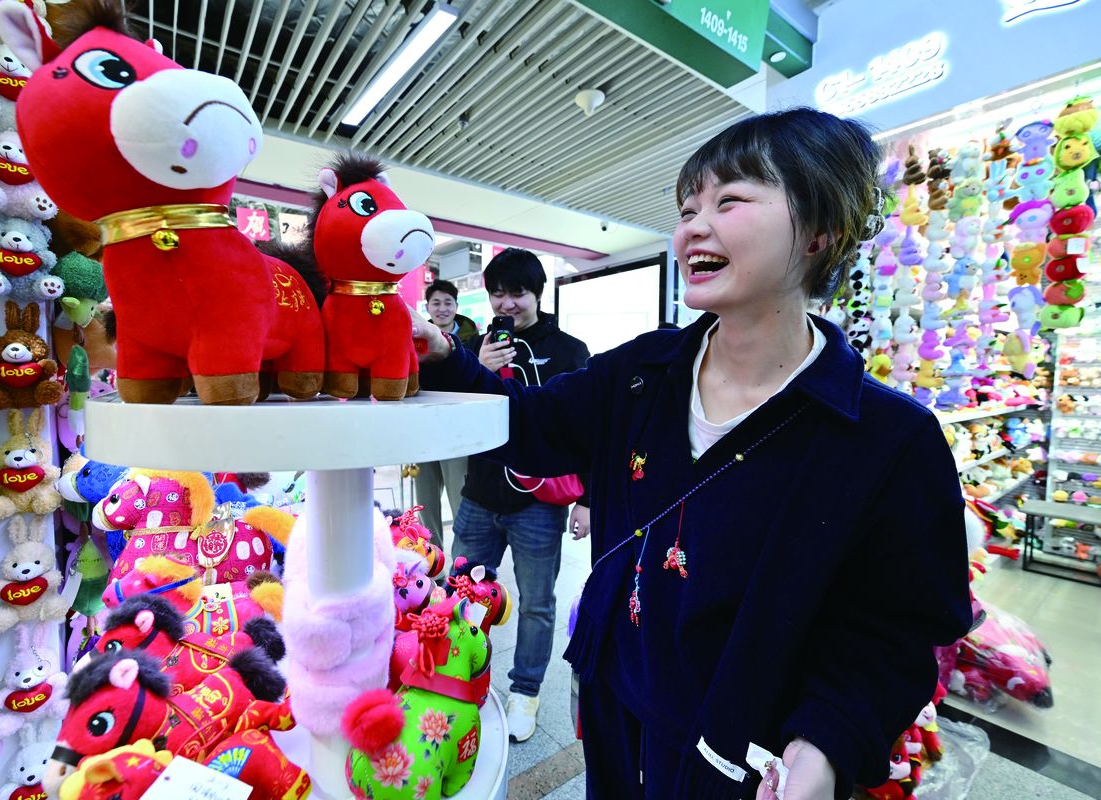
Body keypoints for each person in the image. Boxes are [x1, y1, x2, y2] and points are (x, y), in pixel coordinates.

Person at [412, 108, 972, 799]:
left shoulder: (889, 440)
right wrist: (444, 358)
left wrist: (826, 744)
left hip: (746, 751)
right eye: (686, 208)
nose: (691, 228)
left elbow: (899, 632)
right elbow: (531, 425)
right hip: (619, 706)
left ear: (820, 232)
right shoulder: (642, 372)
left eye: (730, 200)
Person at [439, 248, 591, 743]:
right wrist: (476, 370)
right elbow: (460, 422)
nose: (506, 304)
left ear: (538, 293)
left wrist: (587, 498)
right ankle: (458, 676)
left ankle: (525, 692)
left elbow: (584, 428)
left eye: (516, 293)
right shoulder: (477, 347)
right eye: (497, 294)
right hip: (480, 494)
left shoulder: (570, 350)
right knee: (459, 593)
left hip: (537, 505)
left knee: (536, 604)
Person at [413, 280, 479, 547]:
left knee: (460, 500)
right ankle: (433, 563)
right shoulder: (415, 338)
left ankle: (462, 566)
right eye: (436, 303)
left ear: (456, 307)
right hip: (422, 429)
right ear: (427, 307)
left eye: (447, 302)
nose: (442, 309)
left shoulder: (473, 340)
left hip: (457, 431)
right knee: (425, 502)